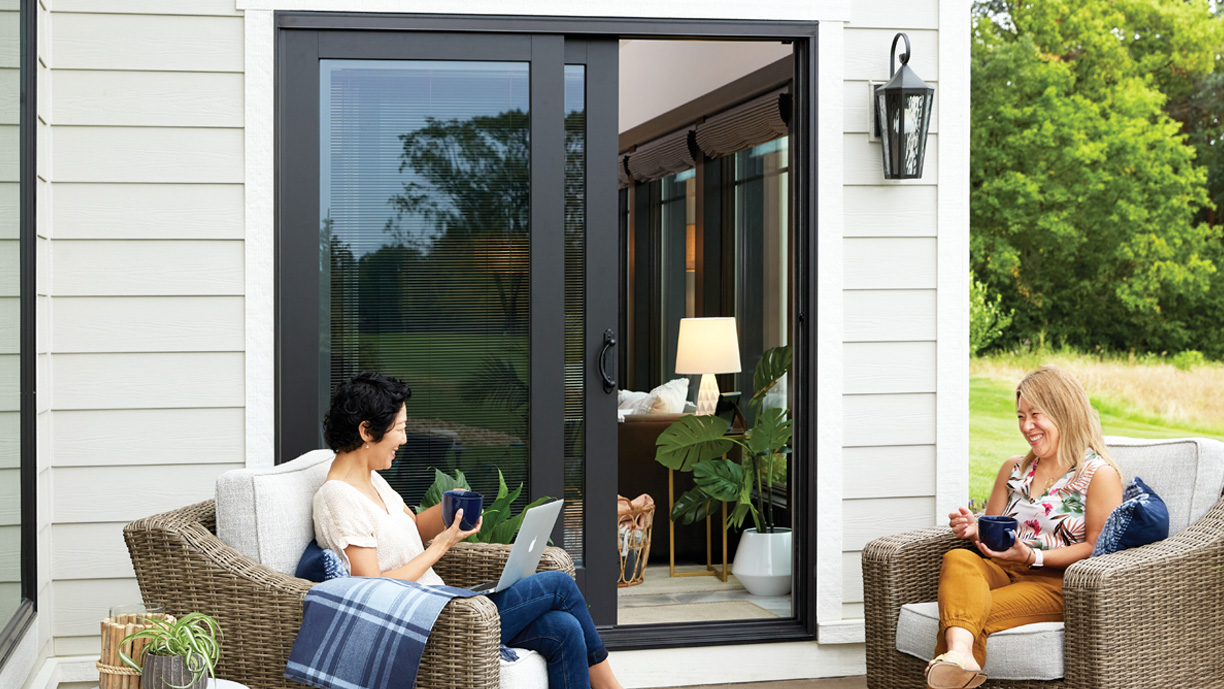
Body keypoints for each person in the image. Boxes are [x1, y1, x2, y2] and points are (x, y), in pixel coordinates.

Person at [311, 371, 624, 689]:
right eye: (400, 429)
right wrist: (441, 546)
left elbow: (412, 529)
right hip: (422, 626)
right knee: (558, 585)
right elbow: (371, 588)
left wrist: (449, 509)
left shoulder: (373, 479)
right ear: (366, 431)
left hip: (442, 604)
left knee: (564, 628)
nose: (404, 440)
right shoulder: (338, 497)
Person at [926, 365, 1123, 689]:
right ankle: (962, 656)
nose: (1026, 426)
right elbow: (989, 533)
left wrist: (1032, 556)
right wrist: (974, 530)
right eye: (1020, 416)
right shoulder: (1014, 468)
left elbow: (1095, 549)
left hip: (1055, 583)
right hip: (1002, 569)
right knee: (958, 559)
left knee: (965, 618)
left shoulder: (1097, 474)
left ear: (1064, 413)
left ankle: (957, 653)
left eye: (1035, 415)